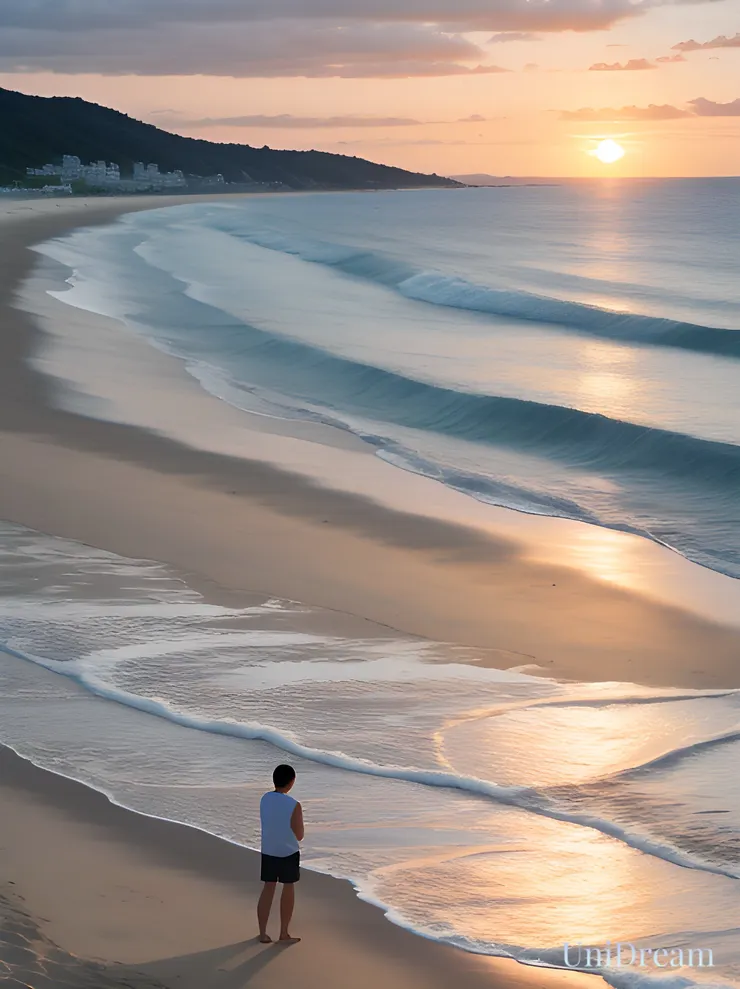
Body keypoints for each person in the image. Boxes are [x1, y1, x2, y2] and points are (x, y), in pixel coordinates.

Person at [257, 764, 304, 944]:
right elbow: (299, 835)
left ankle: (262, 932)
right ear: (291, 782)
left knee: (268, 888)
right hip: (288, 851)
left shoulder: (265, 799)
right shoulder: (294, 805)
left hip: (268, 849)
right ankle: (283, 932)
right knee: (288, 887)